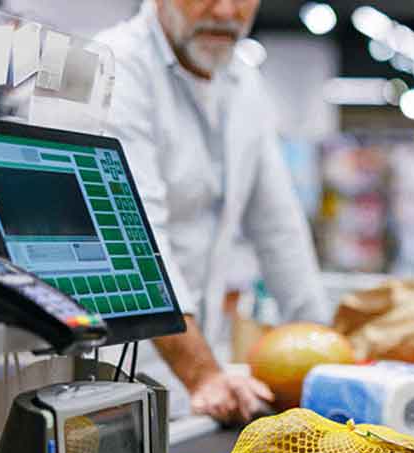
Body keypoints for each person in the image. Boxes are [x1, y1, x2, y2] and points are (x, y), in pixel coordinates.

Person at [97, 0, 328, 423]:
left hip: (204, 378)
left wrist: (327, 361)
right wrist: (201, 373)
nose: (225, 11)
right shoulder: (114, 67)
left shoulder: (244, 82)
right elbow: (136, 234)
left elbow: (280, 231)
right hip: (116, 375)